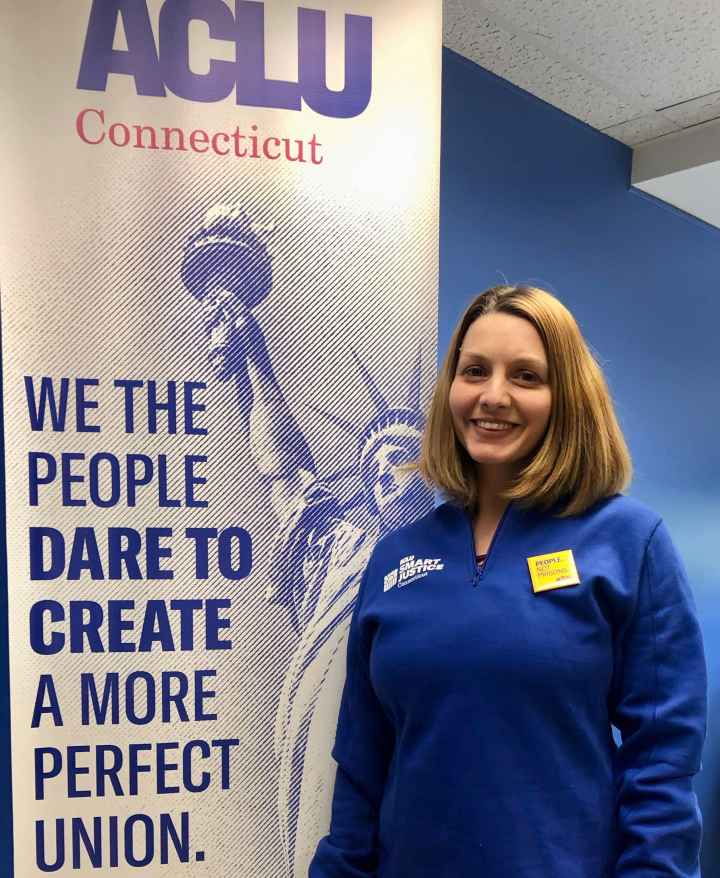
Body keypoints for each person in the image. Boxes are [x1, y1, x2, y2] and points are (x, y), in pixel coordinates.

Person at [308, 284, 708, 877]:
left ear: (567, 397)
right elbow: (362, 765)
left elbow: (663, 763)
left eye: (526, 376)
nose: (493, 396)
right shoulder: (396, 555)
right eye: (475, 371)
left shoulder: (628, 543)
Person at [180, 204, 433, 876]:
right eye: (376, 462)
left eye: (403, 457)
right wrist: (254, 354)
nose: (385, 471)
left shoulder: (465, 570)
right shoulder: (343, 551)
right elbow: (285, 471)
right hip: (328, 727)